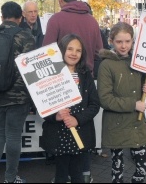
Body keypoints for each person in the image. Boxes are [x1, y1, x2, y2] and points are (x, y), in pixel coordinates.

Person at [0, 1, 36, 183]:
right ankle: (10, 178)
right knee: (13, 136)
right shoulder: (25, 36)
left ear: (2, 15)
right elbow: (31, 68)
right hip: (18, 95)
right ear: (20, 17)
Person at [97, 22, 146, 183]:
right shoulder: (106, 65)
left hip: (136, 123)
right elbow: (105, 99)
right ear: (111, 41)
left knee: (143, 166)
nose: (123, 46)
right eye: (119, 42)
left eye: (127, 41)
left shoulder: (139, 61)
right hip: (116, 124)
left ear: (132, 41)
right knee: (117, 172)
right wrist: (133, 104)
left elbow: (144, 88)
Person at [41, 34, 100, 183]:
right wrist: (55, 116)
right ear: (61, 50)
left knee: (77, 173)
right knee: (60, 173)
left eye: (78, 50)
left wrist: (77, 119)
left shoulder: (86, 75)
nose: (74, 53)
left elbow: (94, 105)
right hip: (59, 134)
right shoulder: (50, 75)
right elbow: (42, 106)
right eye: (70, 49)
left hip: (80, 132)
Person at [42, 0, 103, 74]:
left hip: (62, 75)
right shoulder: (93, 21)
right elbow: (98, 52)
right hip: (86, 75)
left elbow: (47, 51)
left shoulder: (55, 19)